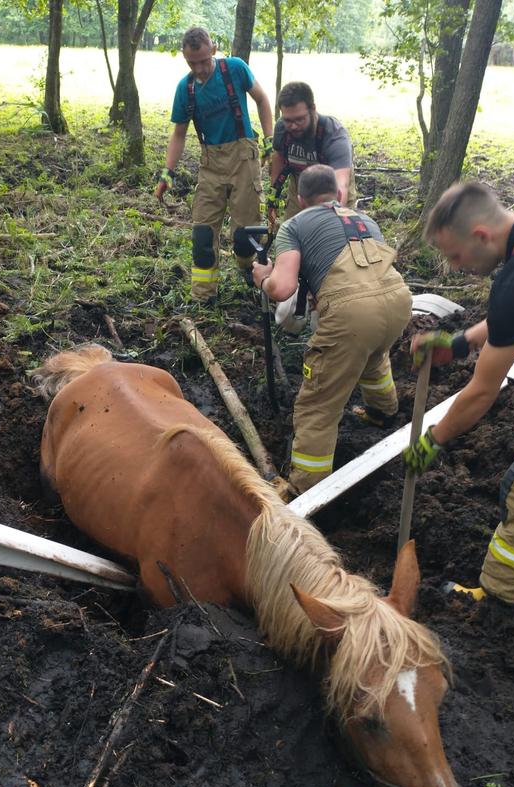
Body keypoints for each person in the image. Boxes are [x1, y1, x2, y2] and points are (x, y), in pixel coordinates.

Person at [404, 181, 514, 606]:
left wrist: (432, 440)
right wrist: (457, 343)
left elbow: (480, 393)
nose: (457, 266)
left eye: (456, 256)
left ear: (482, 237)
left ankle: (506, 600)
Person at [251, 164, 411, 496]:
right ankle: (383, 411)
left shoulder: (294, 225)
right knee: (373, 351)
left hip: (352, 315)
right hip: (398, 302)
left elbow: (282, 289)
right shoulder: (363, 219)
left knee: (319, 401)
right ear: (338, 195)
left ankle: (307, 487)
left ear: (300, 198)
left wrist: (263, 277)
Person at [154, 27, 273, 301]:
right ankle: (203, 297)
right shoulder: (185, 89)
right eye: (192, 63)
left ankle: (249, 268)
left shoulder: (235, 69)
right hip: (210, 165)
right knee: (203, 234)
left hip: (244, 158)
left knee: (245, 235)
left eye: (204, 61)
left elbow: (262, 99)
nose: (200, 68)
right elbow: (179, 135)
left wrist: (269, 139)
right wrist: (166, 174)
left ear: (214, 50)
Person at [268, 81, 356, 227]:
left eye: (299, 119)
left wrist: (330, 219)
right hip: (300, 191)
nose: (293, 126)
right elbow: (279, 156)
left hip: (331, 193)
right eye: (288, 120)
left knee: (331, 239)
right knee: (292, 235)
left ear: (313, 109)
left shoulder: (334, 134)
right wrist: (273, 197)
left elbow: (341, 185)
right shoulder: (282, 128)